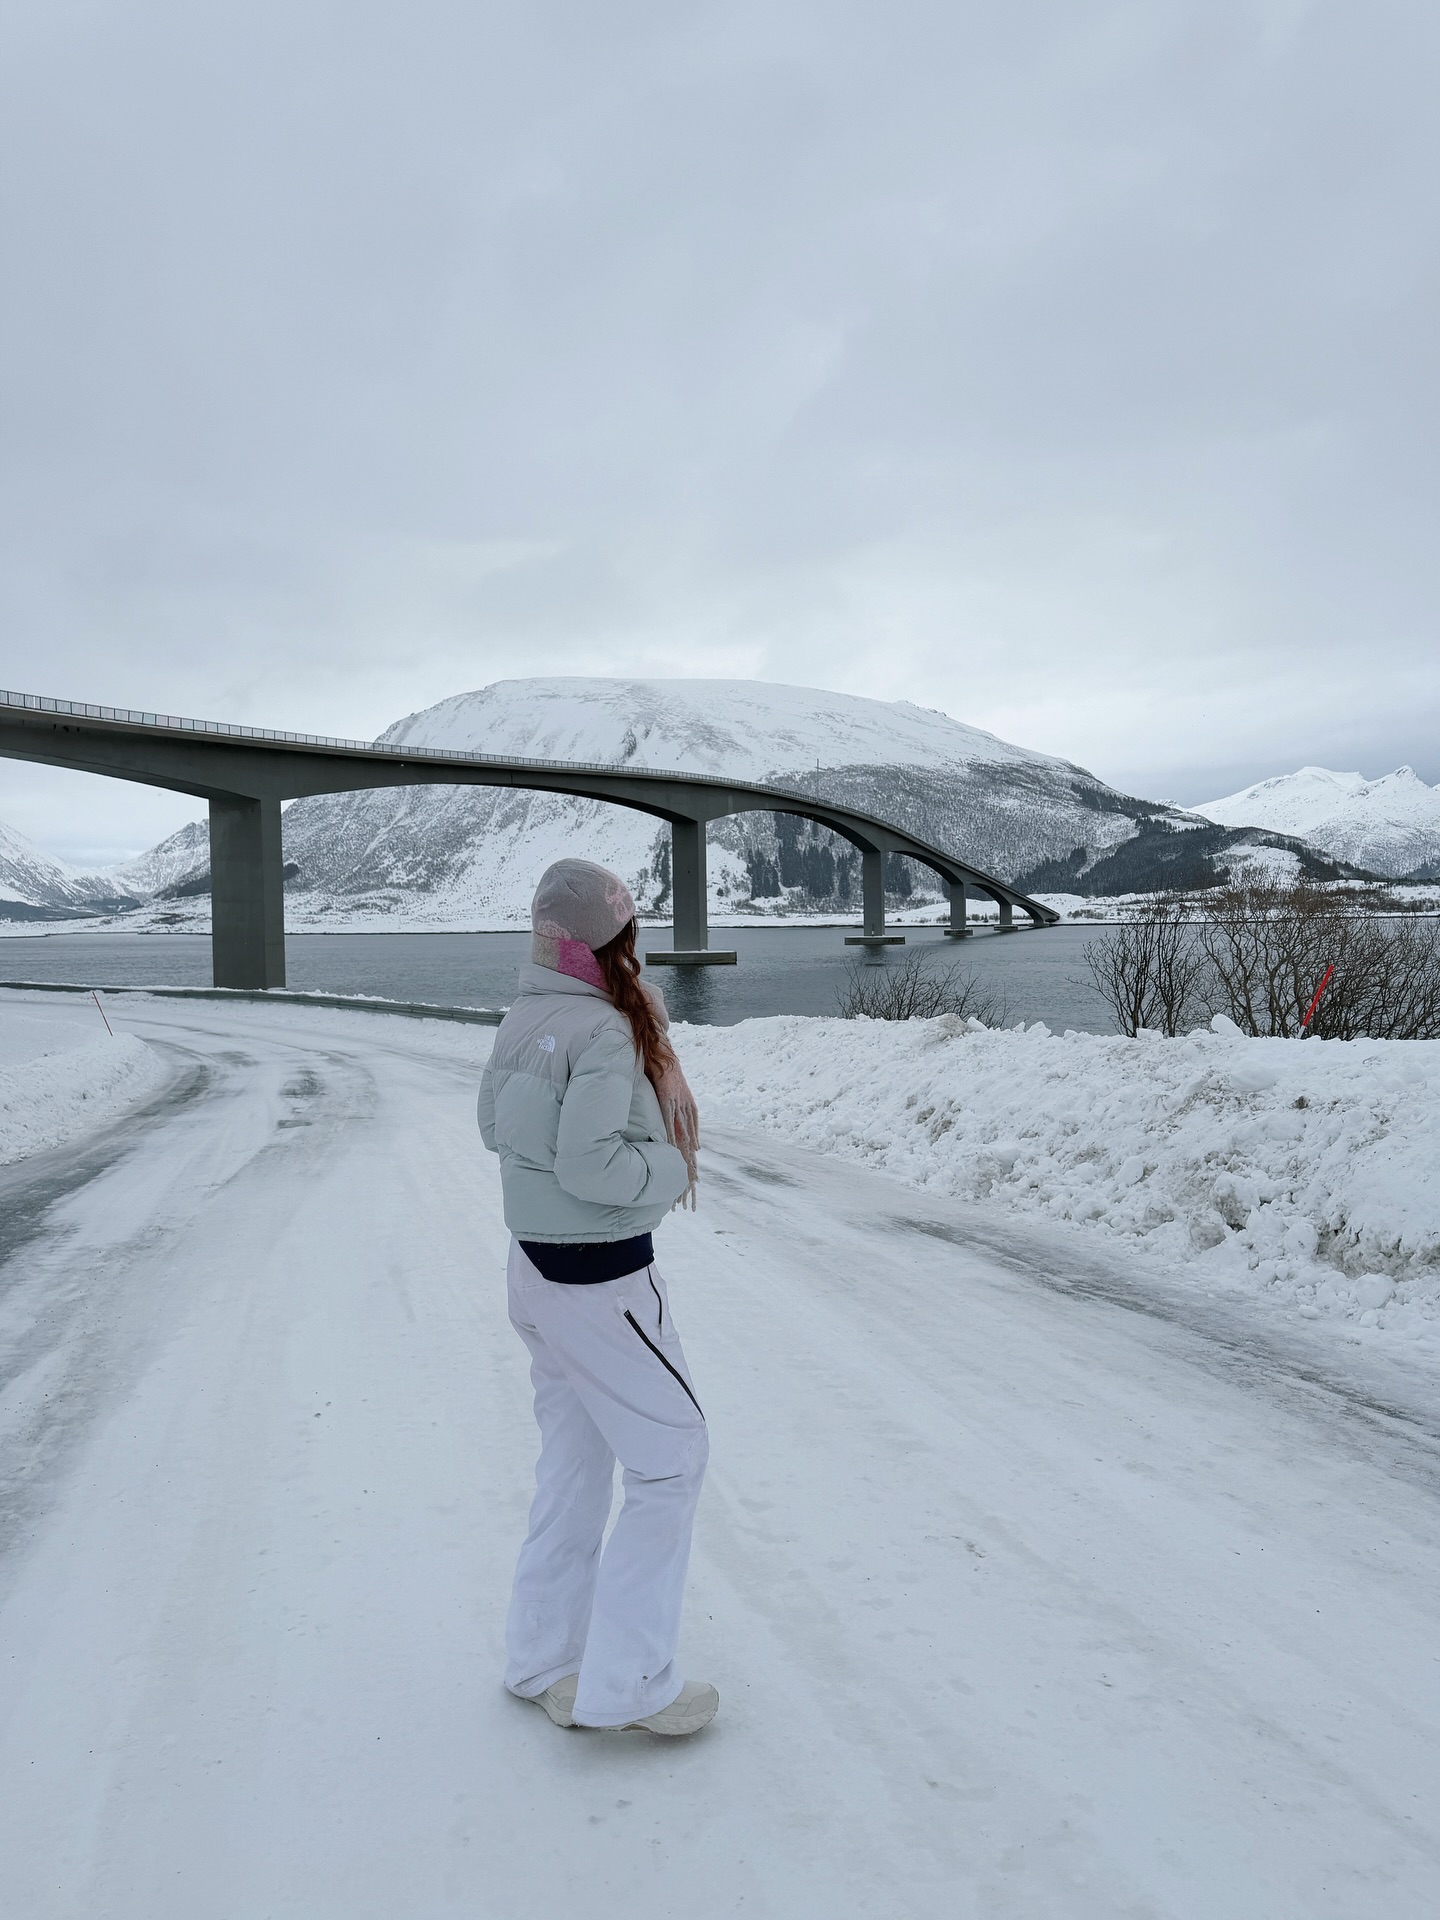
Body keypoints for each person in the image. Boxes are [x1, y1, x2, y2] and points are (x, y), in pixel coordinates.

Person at [478, 858, 716, 1737]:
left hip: (535, 1271)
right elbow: (591, 1166)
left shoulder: (527, 1015)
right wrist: (672, 1165)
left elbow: (491, 1127)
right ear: (609, 945)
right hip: (599, 1278)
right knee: (672, 1457)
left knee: (576, 1463)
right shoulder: (609, 1033)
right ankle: (632, 1681)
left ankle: (543, 1656)